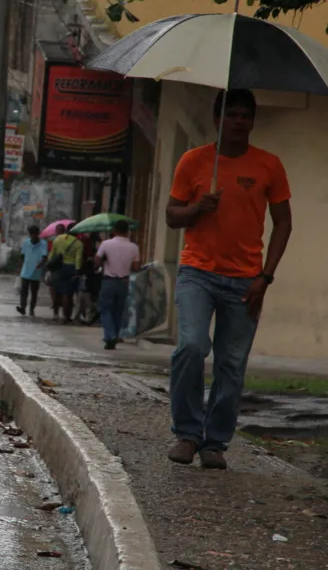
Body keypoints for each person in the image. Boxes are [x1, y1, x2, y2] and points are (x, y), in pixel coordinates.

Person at [165, 88, 292, 471]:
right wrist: (195, 209)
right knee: (190, 347)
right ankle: (187, 434)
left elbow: (283, 223)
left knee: (231, 365)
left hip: (245, 280)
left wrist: (265, 277)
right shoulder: (193, 160)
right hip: (197, 273)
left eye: (245, 116)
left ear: (252, 121)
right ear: (217, 119)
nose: (239, 122)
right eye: (231, 115)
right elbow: (172, 215)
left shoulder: (269, 165)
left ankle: (214, 444)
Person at [95, 219, 141, 350]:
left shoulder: (106, 244)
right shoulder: (134, 247)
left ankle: (110, 336)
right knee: (118, 311)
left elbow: (97, 260)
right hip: (124, 282)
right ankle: (114, 334)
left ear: (114, 231)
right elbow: (136, 267)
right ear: (127, 231)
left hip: (109, 280)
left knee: (105, 309)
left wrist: (104, 261)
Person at [46, 225, 83, 322]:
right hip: (71, 268)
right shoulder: (78, 243)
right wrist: (77, 271)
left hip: (58, 268)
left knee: (56, 292)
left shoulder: (58, 239)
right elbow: (78, 259)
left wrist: (50, 268)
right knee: (67, 293)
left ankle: (55, 314)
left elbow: (51, 255)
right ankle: (65, 315)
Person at [16, 225, 47, 316]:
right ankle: (23, 307)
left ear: (38, 234)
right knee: (23, 291)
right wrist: (19, 268)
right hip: (25, 270)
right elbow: (22, 256)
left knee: (34, 292)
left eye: (35, 234)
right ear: (30, 234)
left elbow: (44, 257)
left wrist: (41, 263)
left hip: (36, 272)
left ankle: (31, 309)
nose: (33, 236)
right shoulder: (26, 243)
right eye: (31, 234)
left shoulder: (43, 243)